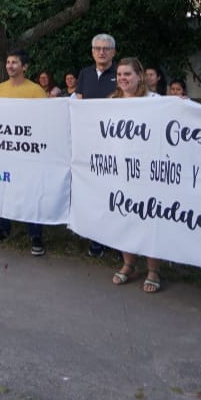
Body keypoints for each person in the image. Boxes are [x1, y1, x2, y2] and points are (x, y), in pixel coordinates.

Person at [0, 48, 49, 256]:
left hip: (27, 152)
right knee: (2, 188)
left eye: (14, 62)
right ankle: (3, 228)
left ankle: (35, 234)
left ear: (24, 67)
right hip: (3, 150)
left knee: (30, 191)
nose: (10, 66)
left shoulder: (36, 91)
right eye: (8, 62)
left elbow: (42, 122)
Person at [108, 57, 164, 292]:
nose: (123, 78)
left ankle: (153, 270)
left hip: (148, 170)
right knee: (124, 216)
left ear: (140, 76)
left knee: (150, 218)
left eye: (127, 74)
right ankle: (128, 263)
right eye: (120, 74)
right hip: (120, 169)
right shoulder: (111, 101)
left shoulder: (156, 101)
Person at [75, 33, 119, 258]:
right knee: (93, 191)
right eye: (97, 48)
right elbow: (77, 102)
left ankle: (117, 240)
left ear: (113, 52)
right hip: (89, 143)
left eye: (106, 48)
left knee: (114, 192)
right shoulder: (85, 74)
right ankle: (97, 238)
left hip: (115, 144)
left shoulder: (120, 74)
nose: (101, 52)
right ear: (92, 51)